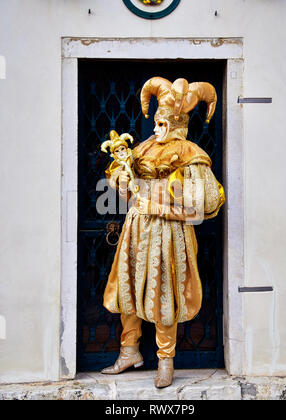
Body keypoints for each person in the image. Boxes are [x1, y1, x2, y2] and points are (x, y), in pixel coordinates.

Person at [101, 77, 225, 388]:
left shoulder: (189, 153)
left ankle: (165, 360)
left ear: (176, 123)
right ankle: (129, 351)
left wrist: (157, 200)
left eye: (161, 123)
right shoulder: (144, 147)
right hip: (136, 229)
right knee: (128, 288)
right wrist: (120, 178)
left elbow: (202, 204)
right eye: (156, 122)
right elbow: (124, 189)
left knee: (163, 294)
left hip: (169, 233)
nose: (156, 129)